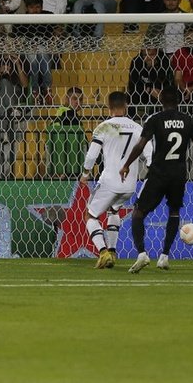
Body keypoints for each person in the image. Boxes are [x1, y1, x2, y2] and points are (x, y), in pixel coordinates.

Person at [119, 87, 193, 273]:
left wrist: (127, 164)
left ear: (161, 101)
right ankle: (164, 256)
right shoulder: (188, 121)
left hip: (158, 173)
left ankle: (142, 254)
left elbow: (141, 145)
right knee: (174, 212)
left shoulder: (155, 120)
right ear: (179, 101)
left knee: (138, 212)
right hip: (178, 175)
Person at [81, 92, 150, 270]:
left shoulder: (104, 127)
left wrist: (86, 173)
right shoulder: (137, 127)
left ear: (109, 107)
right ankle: (112, 252)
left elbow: (91, 155)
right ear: (126, 106)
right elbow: (150, 156)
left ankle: (103, 252)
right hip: (129, 185)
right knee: (113, 212)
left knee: (90, 215)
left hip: (110, 181)